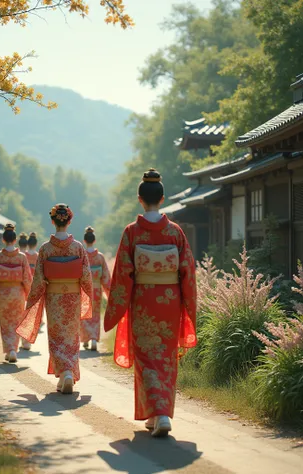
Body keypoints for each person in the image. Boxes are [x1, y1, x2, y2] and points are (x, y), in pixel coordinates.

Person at [104, 169, 197, 438]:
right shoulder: (175, 232)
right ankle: (159, 413)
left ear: (140, 200)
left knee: (146, 358)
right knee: (165, 358)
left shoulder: (132, 232)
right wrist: (190, 306)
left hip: (143, 301)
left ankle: (159, 414)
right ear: (163, 198)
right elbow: (188, 272)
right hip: (169, 302)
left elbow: (122, 274)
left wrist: (115, 309)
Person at [17, 204, 93, 394]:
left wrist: (32, 300)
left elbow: (39, 280)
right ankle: (68, 373)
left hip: (54, 299)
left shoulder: (46, 249)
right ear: (69, 221)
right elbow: (86, 277)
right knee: (71, 336)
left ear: (53, 221)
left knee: (57, 336)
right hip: (73, 298)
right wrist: (88, 296)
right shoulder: (78, 248)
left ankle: (64, 373)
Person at [0, 224, 33, 363]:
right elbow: (27, 279)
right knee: (16, 321)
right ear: (15, 240)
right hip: (18, 294)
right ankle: (14, 350)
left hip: (3, 294)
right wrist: (31, 295)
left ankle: (9, 350)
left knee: (5, 323)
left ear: (3, 240)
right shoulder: (21, 258)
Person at [81, 226, 111, 351]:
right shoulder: (100, 257)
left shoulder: (81, 256)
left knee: (84, 314)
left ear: (84, 241)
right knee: (96, 314)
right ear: (94, 240)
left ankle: (86, 339)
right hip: (97, 290)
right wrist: (109, 292)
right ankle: (93, 338)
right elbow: (106, 278)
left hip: (84, 289)